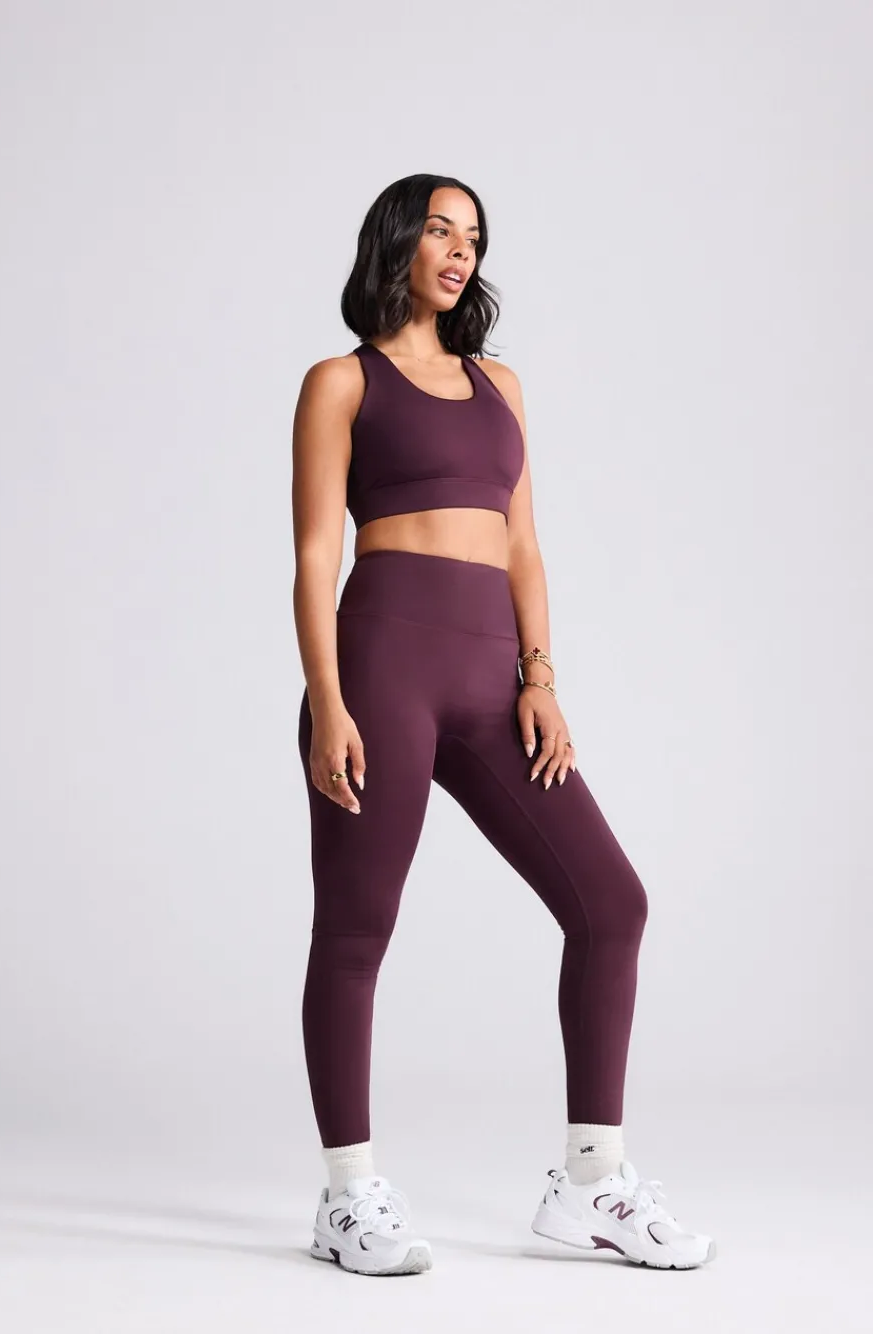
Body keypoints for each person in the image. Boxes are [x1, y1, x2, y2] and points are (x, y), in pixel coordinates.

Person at [291, 174, 715, 1276]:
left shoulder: (500, 386)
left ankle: (590, 1180)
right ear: (396, 241)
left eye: (473, 237)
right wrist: (328, 700)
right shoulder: (342, 381)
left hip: (492, 676)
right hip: (380, 665)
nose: (459, 251)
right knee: (356, 929)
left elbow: (524, 545)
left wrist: (540, 676)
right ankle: (348, 1196)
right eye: (439, 229)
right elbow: (314, 555)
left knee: (610, 903)